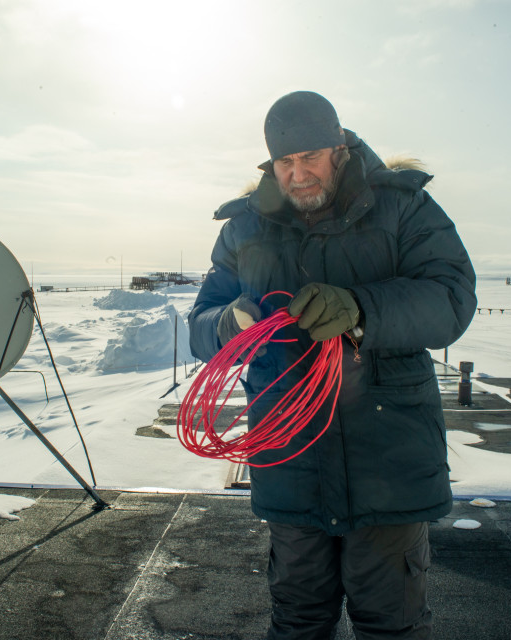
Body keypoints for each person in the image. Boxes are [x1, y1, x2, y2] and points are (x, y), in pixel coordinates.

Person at [188, 91, 476, 639]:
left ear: (339, 149)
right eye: (285, 163)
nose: (297, 176)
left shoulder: (402, 206)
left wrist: (363, 308)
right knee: (297, 621)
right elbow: (201, 320)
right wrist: (228, 322)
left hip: (387, 459)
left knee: (392, 625)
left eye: (309, 159)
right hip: (291, 459)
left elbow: (452, 297)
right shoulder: (244, 228)